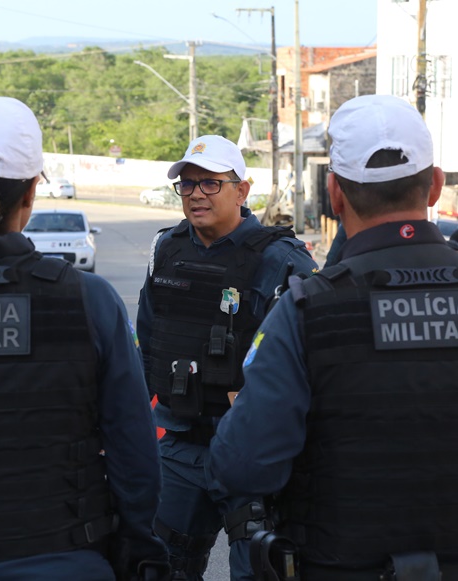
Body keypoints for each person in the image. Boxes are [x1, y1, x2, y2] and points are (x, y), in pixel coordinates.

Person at [0, 96, 168, 581]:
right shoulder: (88, 301)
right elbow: (135, 456)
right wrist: (137, 545)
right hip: (67, 559)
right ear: (30, 194)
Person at [208, 94, 458, 580]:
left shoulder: (305, 312)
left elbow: (241, 467)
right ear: (433, 186)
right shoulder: (305, 309)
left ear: (335, 194)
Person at [136, 134, 318, 580]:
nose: (196, 193)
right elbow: (147, 338)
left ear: (242, 189)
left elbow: (312, 362)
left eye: (211, 183)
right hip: (180, 444)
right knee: (156, 566)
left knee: (260, 569)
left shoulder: (282, 259)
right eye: (188, 184)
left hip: (250, 451)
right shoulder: (167, 249)